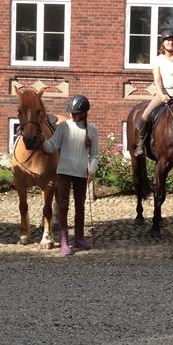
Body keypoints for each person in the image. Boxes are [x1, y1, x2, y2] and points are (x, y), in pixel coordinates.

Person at [41, 94, 100, 256]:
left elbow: (94, 155)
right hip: (64, 172)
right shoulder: (63, 127)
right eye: (71, 113)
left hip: (81, 173)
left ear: (84, 113)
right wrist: (42, 141)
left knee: (80, 206)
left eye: (75, 113)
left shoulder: (92, 130)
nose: (72, 115)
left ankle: (79, 237)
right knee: (63, 206)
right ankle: (64, 239)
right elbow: (52, 145)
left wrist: (92, 170)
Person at [134, 29, 173, 156]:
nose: (170, 42)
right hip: (164, 94)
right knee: (146, 114)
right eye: (168, 40)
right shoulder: (158, 60)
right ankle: (141, 144)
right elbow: (157, 80)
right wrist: (161, 95)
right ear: (163, 43)